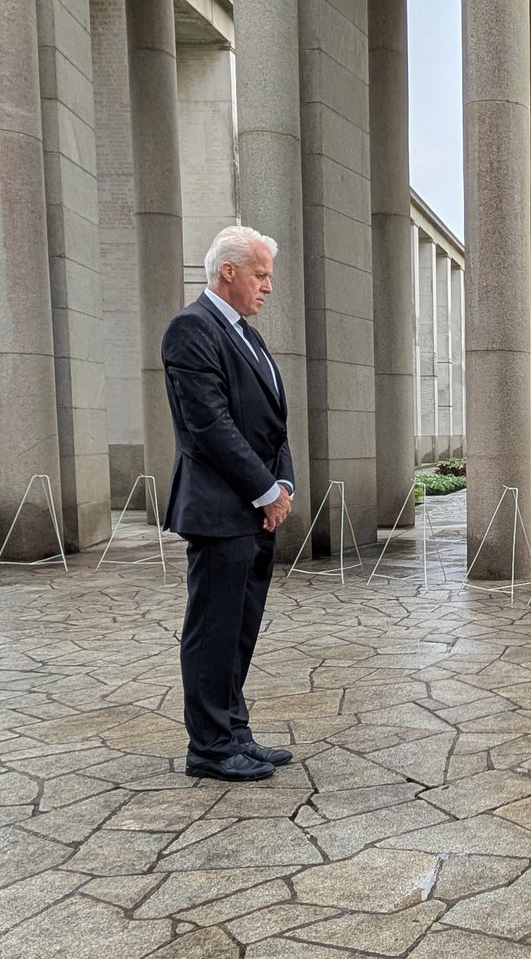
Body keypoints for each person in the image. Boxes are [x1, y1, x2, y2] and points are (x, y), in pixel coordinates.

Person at [162, 225, 295, 782]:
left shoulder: (248, 334)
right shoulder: (192, 329)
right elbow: (209, 427)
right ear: (229, 272)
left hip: (256, 511)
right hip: (221, 512)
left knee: (240, 629)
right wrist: (265, 490)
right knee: (213, 628)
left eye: (269, 276)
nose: (268, 287)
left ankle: (234, 731)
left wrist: (282, 486)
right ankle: (210, 747)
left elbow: (273, 425)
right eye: (261, 275)